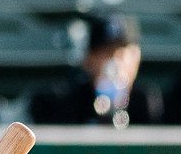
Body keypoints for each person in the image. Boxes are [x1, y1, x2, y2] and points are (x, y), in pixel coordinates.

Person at [29, 14, 162, 127]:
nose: (115, 62)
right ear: (89, 59)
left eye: (122, 53)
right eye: (106, 53)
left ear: (137, 56)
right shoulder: (64, 100)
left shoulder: (147, 102)